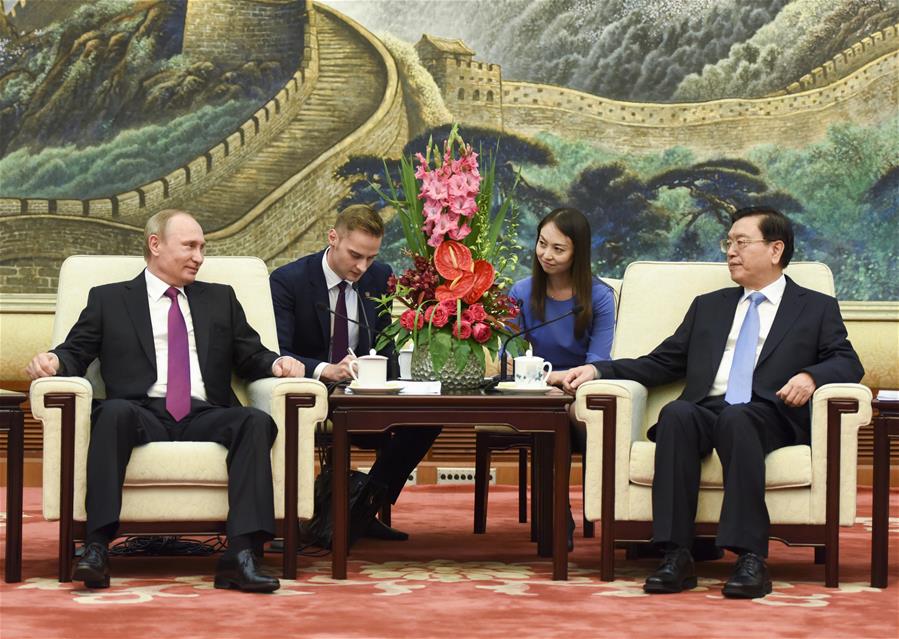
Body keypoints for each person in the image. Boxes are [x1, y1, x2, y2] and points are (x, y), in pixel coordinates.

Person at [562, 207, 864, 599]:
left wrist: (810, 377)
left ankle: (750, 557)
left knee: (739, 418)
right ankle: (676, 554)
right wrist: (599, 371)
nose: (731, 252)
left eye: (741, 242)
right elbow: (663, 362)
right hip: (710, 407)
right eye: (729, 243)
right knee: (676, 414)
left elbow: (848, 361)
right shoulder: (711, 306)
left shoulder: (814, 306)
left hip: (770, 412)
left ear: (775, 250)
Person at [26, 209, 305, 593]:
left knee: (254, 421)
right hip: (140, 412)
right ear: (155, 245)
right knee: (111, 412)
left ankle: (241, 556)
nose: (199, 256)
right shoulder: (109, 300)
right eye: (190, 246)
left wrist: (278, 364)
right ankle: (95, 547)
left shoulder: (220, 299)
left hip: (204, 411)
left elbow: (251, 354)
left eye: (203, 247)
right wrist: (54, 361)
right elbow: (76, 350)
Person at [270, 203, 440, 543]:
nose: (362, 267)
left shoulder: (379, 278)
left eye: (371, 258)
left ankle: (360, 507)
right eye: (355, 255)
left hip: (365, 394)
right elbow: (279, 353)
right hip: (313, 393)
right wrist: (327, 370)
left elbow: (386, 346)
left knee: (429, 417)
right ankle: (329, 513)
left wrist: (385, 374)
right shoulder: (289, 281)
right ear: (333, 238)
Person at [508, 207, 615, 548]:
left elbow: (599, 358)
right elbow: (505, 355)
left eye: (558, 249)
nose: (547, 255)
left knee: (570, 414)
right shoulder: (520, 293)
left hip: (580, 390)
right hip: (533, 393)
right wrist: (544, 383)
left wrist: (561, 382)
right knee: (551, 415)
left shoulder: (598, 296)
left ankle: (602, 515)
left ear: (577, 253)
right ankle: (558, 514)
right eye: (542, 244)